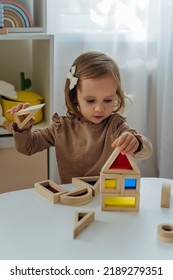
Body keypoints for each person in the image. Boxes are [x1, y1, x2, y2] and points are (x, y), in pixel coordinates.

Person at [7, 51, 153, 184]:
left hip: (106, 195)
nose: (99, 108)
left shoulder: (116, 126)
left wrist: (136, 142)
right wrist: (23, 126)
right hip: (73, 196)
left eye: (108, 100)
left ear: (116, 95)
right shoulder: (61, 128)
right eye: (90, 101)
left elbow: (146, 151)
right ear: (75, 97)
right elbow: (27, 147)